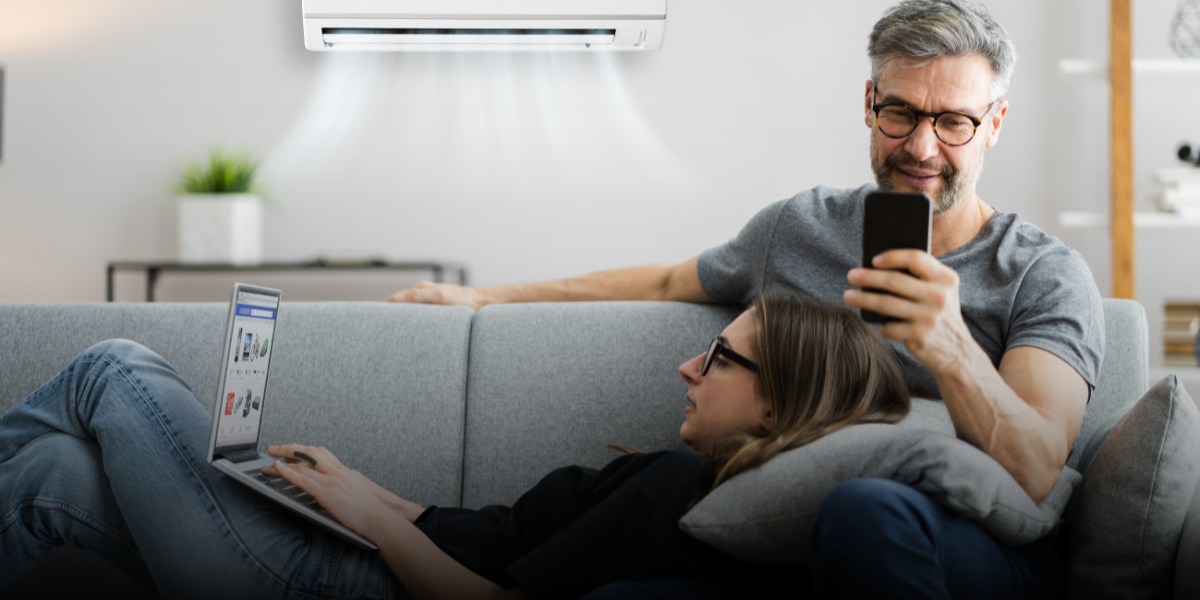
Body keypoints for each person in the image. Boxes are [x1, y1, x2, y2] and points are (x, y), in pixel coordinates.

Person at [387, 1, 1104, 597]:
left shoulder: (1041, 273)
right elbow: (669, 280)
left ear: (995, 124)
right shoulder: (800, 227)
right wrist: (483, 297)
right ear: (867, 103)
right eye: (900, 113)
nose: (921, 146)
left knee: (865, 512)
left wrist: (950, 350)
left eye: (953, 122)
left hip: (966, 552)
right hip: (781, 538)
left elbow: (1037, 466)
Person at [1, 293, 906, 599]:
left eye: (717, 355)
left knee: (114, 365)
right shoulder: (684, 484)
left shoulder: (679, 492)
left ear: (779, 396)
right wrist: (368, 492)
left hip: (338, 585)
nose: (686, 365)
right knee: (53, 476)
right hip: (345, 558)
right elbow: (488, 533)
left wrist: (363, 517)